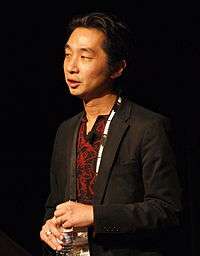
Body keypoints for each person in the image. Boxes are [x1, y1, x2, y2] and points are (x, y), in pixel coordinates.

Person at [40, 12, 182, 256]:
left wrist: (94, 216)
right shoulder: (66, 130)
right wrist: (49, 226)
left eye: (84, 56)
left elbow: (167, 211)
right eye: (67, 54)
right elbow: (55, 204)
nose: (71, 66)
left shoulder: (147, 127)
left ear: (116, 68)